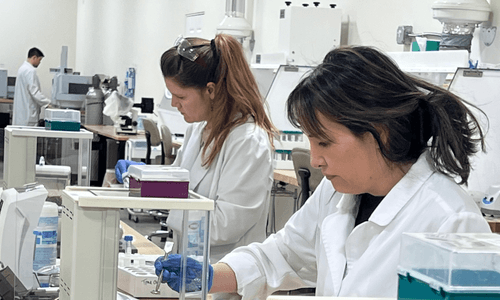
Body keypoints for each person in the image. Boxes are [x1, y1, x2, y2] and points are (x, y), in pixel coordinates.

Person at [155, 46, 492, 298]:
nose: (314, 160)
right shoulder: (338, 193)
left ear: (380, 132)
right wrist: (213, 276)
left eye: (325, 143)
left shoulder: (450, 220)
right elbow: (285, 253)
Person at [159, 34, 278, 263]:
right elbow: (178, 182)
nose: (174, 104)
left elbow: (225, 224)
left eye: (180, 96)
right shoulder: (199, 129)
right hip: (192, 264)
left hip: (226, 274)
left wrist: (175, 213)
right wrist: (142, 179)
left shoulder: (248, 141)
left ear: (211, 91)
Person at [12, 47, 51, 126]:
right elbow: (35, 92)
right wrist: (48, 103)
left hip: (21, 115)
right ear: (34, 57)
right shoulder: (30, 71)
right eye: (39, 60)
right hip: (28, 115)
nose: (39, 63)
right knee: (28, 137)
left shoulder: (22, 69)